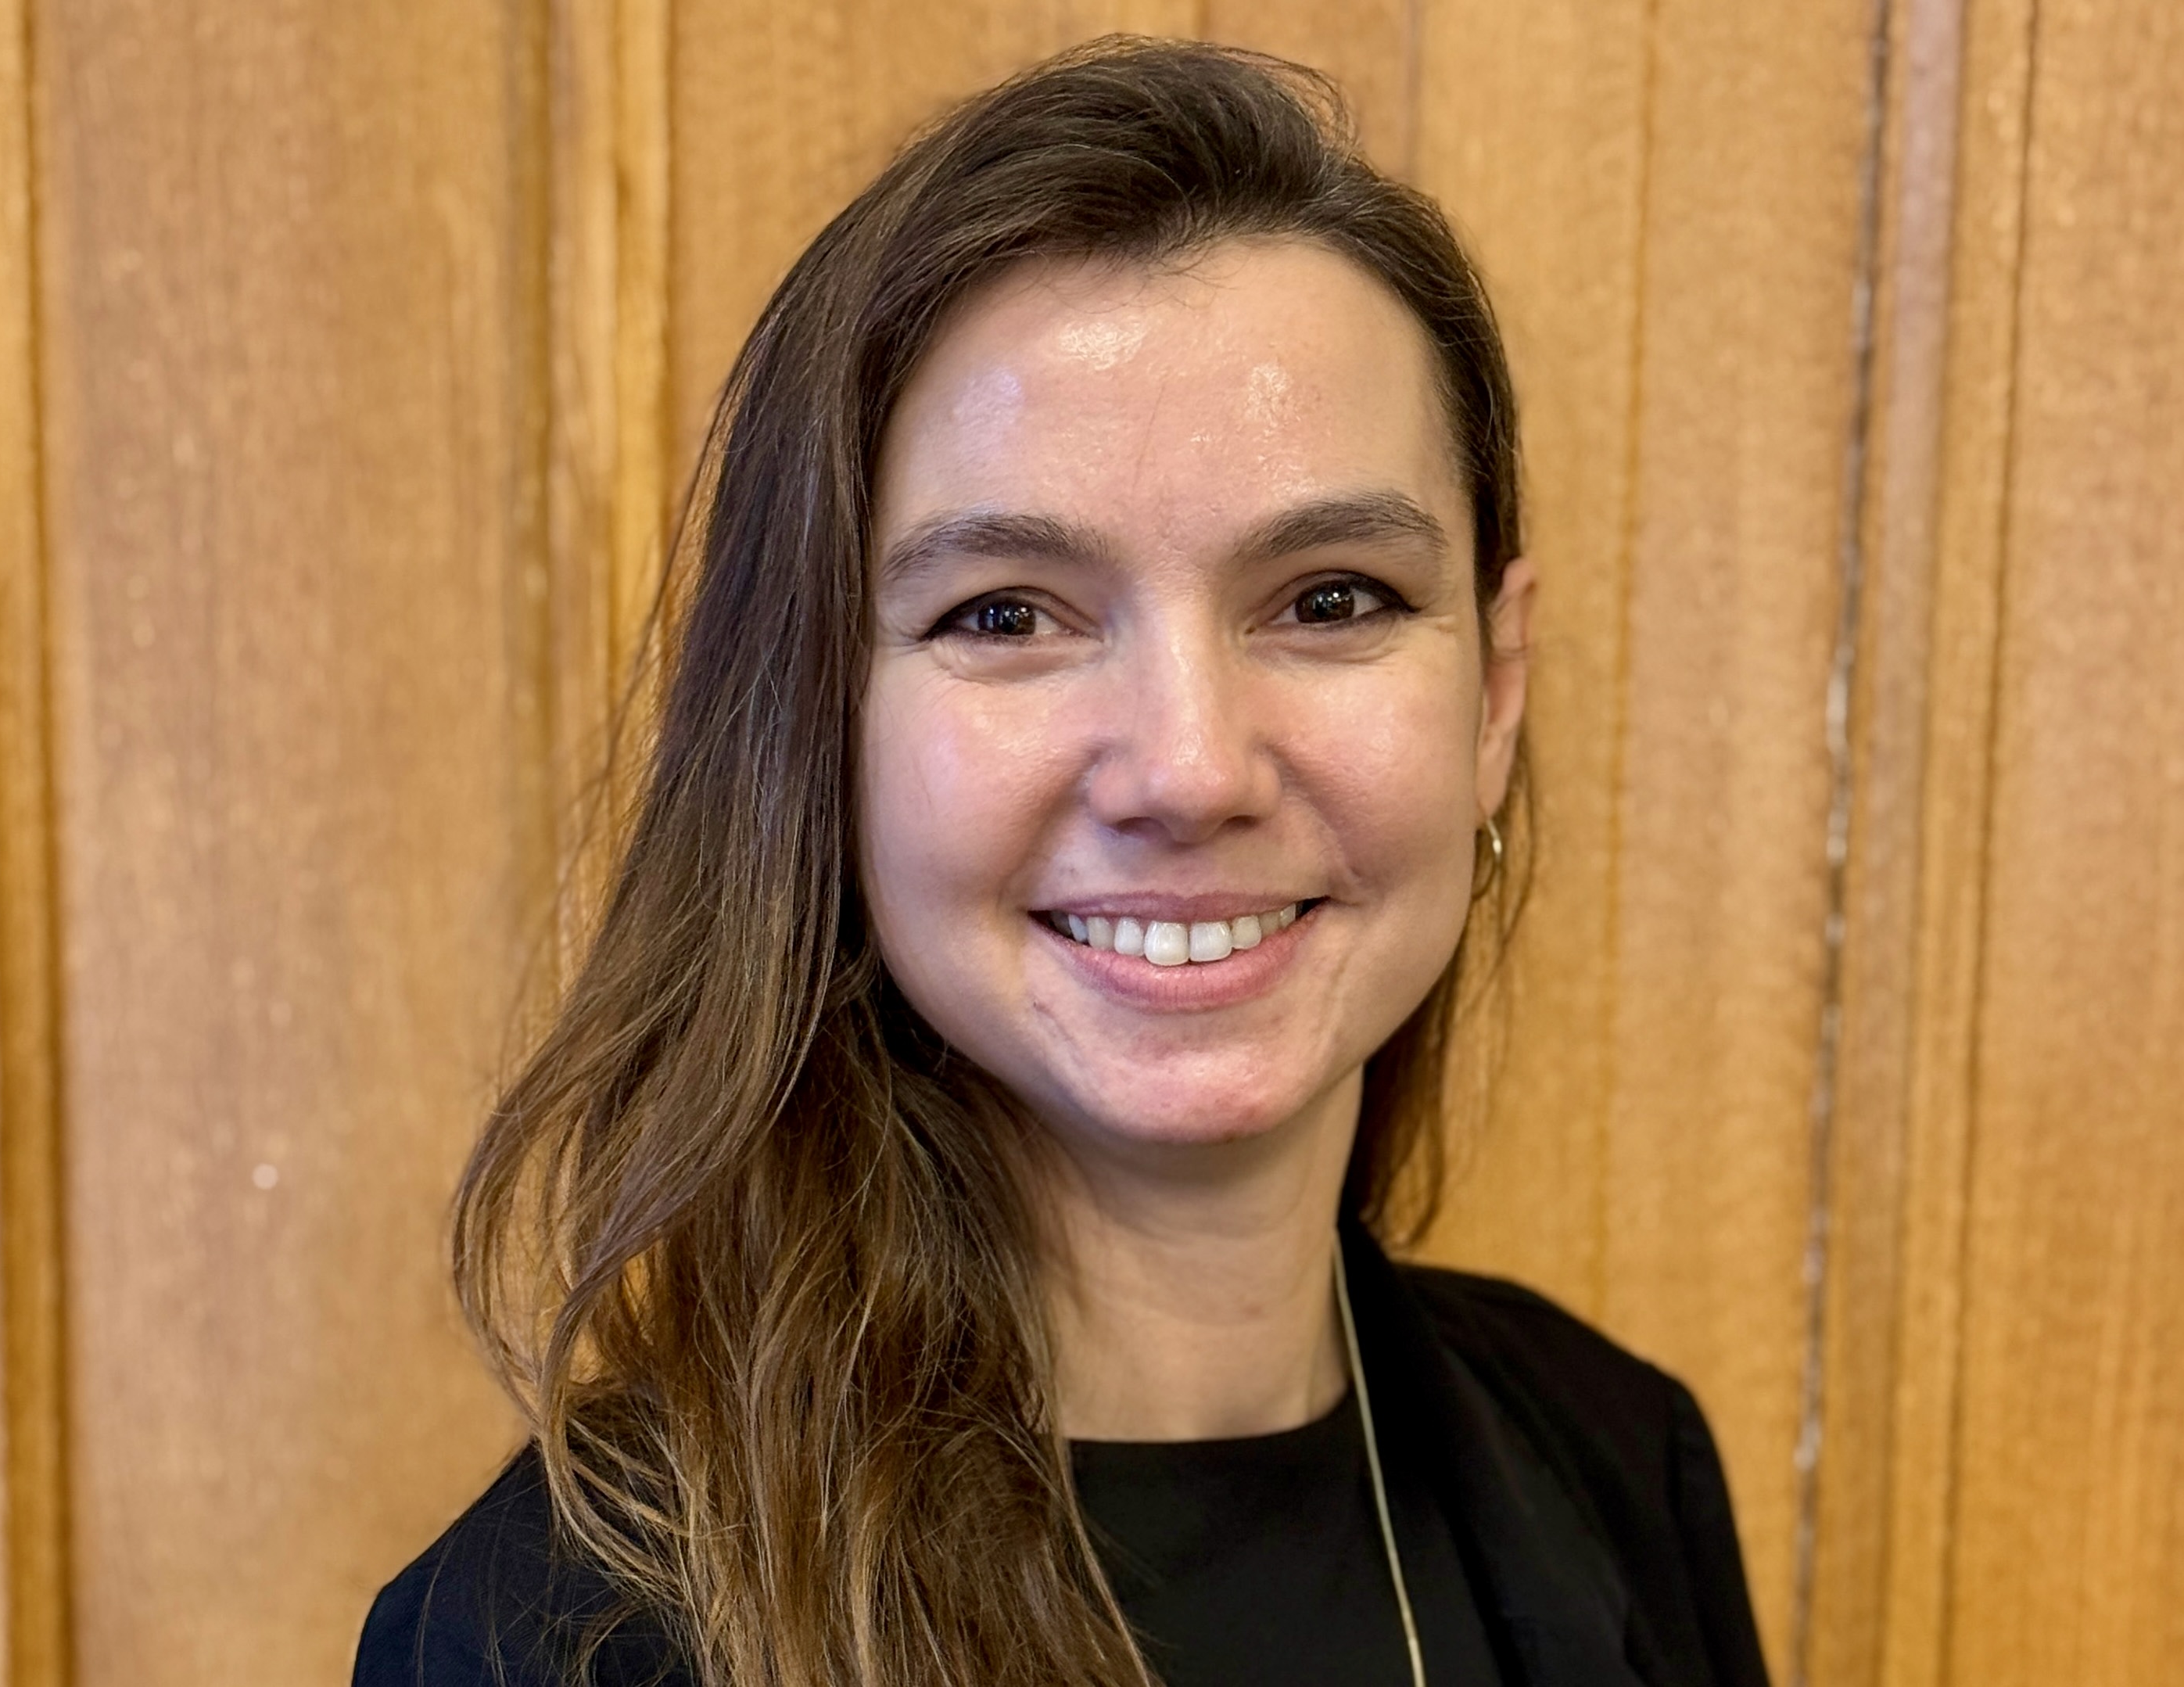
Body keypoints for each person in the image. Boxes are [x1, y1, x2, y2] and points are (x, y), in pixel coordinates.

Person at [357, 38, 1766, 1687]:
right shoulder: (546, 1636)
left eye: (1330, 598)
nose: (1189, 767)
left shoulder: (1624, 1467)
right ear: (820, 725)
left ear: (1494, 696)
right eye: (1007, 613)